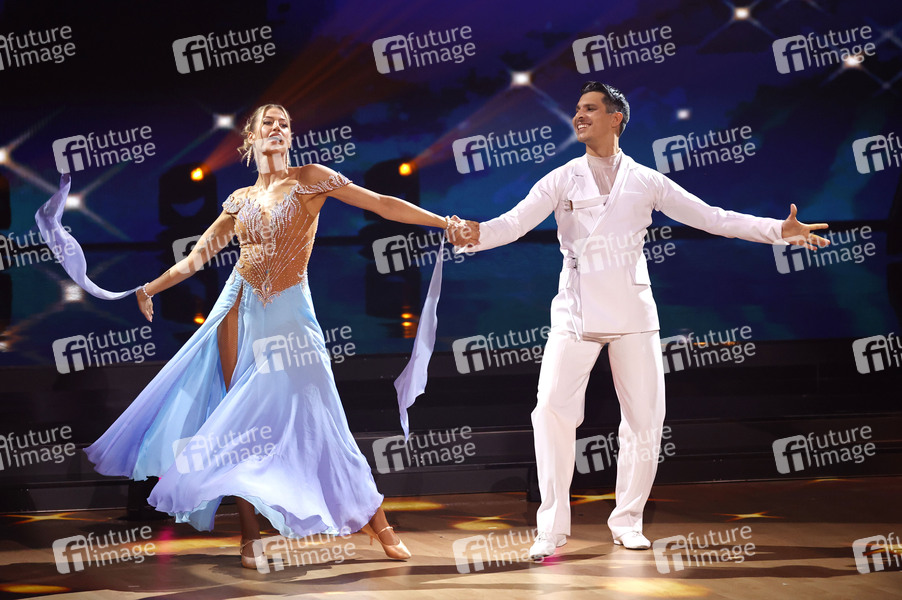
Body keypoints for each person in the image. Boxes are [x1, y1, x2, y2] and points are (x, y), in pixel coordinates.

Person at [446, 82, 830, 558]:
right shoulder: (561, 178)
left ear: (616, 118)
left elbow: (712, 217)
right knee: (550, 412)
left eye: (590, 109)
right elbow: (514, 222)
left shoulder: (646, 180)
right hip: (575, 311)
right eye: (577, 109)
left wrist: (777, 231)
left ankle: (628, 520)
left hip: (632, 310)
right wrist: (476, 234)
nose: (579, 116)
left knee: (645, 421)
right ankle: (551, 528)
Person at [83, 104, 454, 568]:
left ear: (290, 137)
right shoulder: (238, 200)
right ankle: (249, 536)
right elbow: (196, 257)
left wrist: (444, 223)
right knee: (237, 422)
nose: (277, 128)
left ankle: (378, 524)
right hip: (237, 311)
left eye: (284, 123)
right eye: (268, 122)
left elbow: (381, 203)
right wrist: (148, 289)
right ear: (252, 138)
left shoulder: (311, 179)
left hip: (291, 314)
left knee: (325, 418)